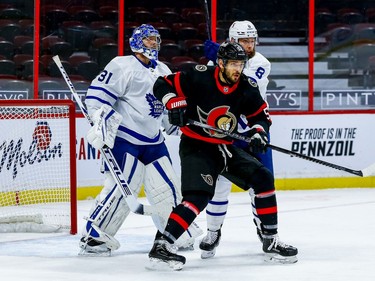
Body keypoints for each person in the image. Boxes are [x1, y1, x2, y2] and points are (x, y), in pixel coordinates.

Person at [148, 41, 297, 270]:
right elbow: (162, 84)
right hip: (196, 145)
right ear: (220, 63)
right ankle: (162, 245)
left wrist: (258, 132)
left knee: (263, 178)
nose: (238, 69)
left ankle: (270, 240)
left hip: (224, 147)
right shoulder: (200, 76)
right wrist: (172, 102)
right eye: (233, 64)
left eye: (241, 64)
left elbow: (261, 116)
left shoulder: (246, 85)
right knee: (197, 196)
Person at [79, 24, 202, 256]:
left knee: (168, 188)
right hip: (126, 139)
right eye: (148, 40)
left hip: (154, 142)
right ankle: (95, 235)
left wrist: (181, 122)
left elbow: (167, 112)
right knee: (122, 189)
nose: (154, 43)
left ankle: (176, 232)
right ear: (136, 41)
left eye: (156, 39)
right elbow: (96, 97)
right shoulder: (122, 65)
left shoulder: (163, 70)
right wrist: (100, 120)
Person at [200, 20, 275, 258]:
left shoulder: (261, 63)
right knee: (219, 186)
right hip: (226, 130)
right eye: (244, 40)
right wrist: (215, 63)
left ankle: (267, 232)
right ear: (233, 41)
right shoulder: (221, 61)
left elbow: (243, 80)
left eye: (252, 40)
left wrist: (218, 60)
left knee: (262, 184)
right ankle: (213, 232)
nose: (250, 45)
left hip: (254, 132)